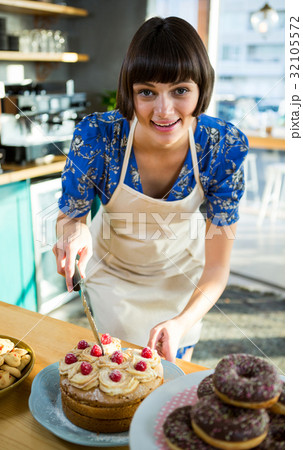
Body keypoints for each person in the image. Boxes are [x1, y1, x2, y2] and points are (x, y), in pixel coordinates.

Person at [53, 16, 248, 363]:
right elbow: (71, 217)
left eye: (180, 91)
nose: (163, 110)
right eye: (147, 92)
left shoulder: (220, 146)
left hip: (184, 282)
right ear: (130, 91)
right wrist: (74, 233)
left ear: (202, 88)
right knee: (118, 376)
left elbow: (218, 268)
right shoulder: (99, 138)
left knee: (171, 380)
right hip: (113, 280)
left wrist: (181, 323)